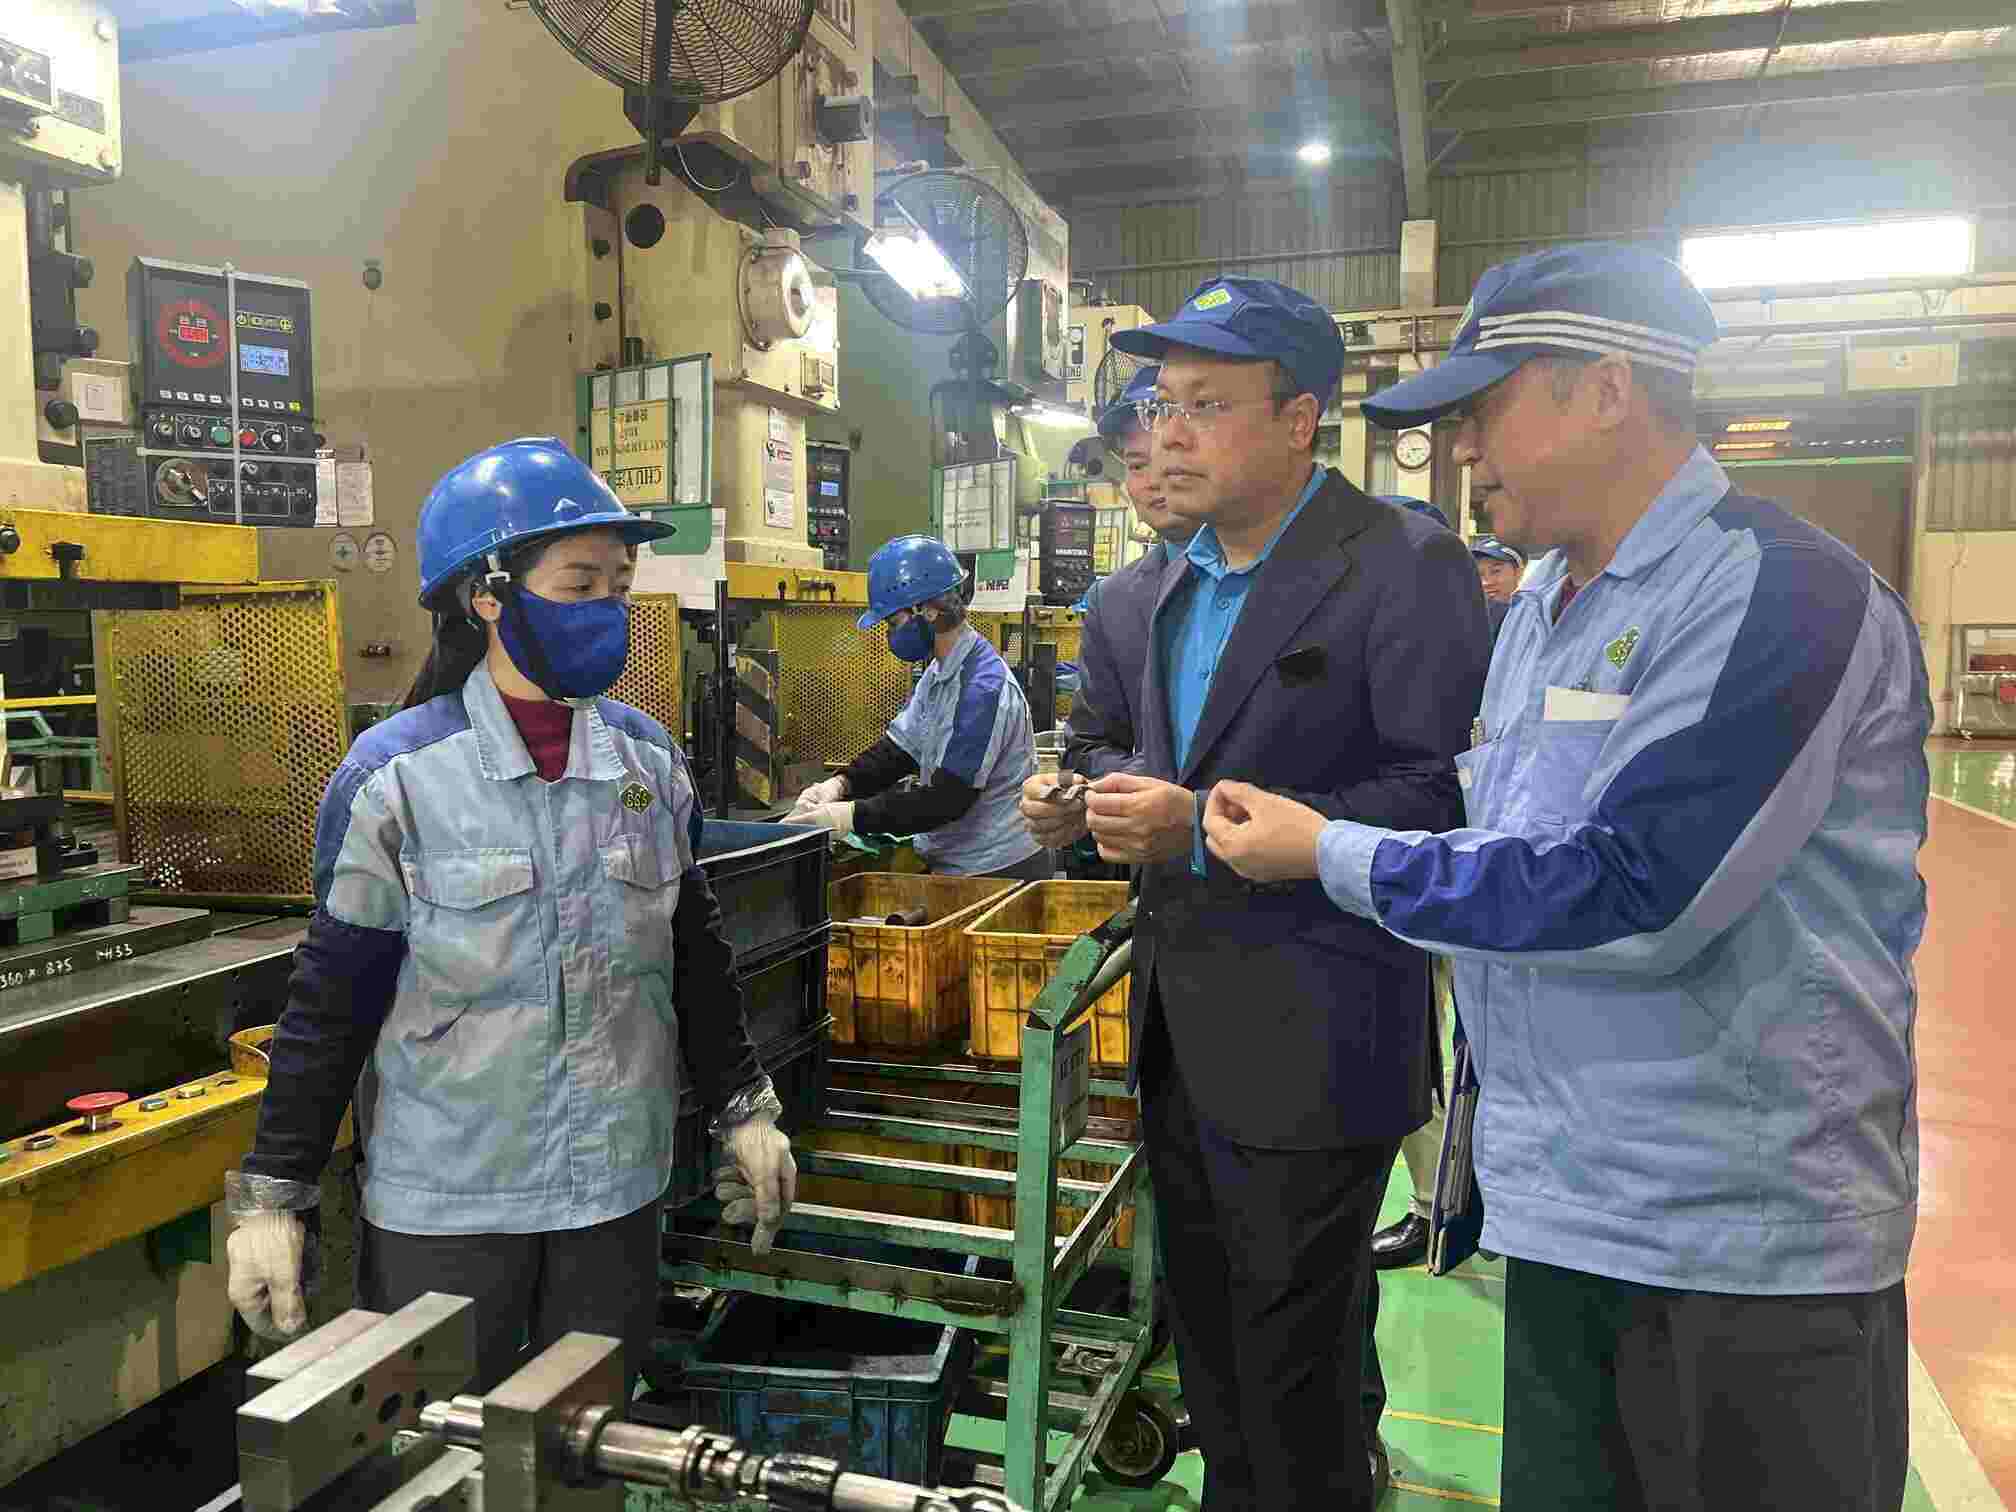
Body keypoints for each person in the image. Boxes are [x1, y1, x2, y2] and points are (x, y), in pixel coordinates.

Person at [1201, 243, 1930, 1512]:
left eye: (1486, 408)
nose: (1463, 447)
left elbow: (1639, 893)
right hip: (1567, 1222)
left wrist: (1327, 852)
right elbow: (1502, 838)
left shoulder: (1781, 593)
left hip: (1742, 1254)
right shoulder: (1542, 611)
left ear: (1608, 389)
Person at [222, 437, 798, 1392]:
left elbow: (693, 955)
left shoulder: (647, 766)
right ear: (486, 596)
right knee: (440, 1462)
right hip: (451, 1207)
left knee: (589, 1454)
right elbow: (330, 1006)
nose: (609, 610)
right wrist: (273, 1198)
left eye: (618, 585)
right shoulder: (394, 782)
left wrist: (745, 1106)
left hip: (611, 1194)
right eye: (579, 586)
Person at [1068, 274, 1488, 1511]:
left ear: (1299, 419)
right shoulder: (1171, 582)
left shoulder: (1401, 563)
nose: (1170, 432)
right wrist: (1102, 796)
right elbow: (1125, 748)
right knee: (1212, 1351)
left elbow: (1442, 798)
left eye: (1206, 404)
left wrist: (1196, 825)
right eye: (1162, 401)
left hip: (1318, 1035)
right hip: (1181, 1031)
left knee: (1295, 1368)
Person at [791, 534, 1050, 881]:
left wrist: (847, 817)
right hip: (960, 862)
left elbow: (946, 799)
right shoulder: (940, 672)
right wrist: (839, 785)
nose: (890, 634)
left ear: (927, 611)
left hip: (999, 870)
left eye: (893, 622)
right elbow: (898, 751)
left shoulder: (983, 689)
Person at [1471, 535, 1524, 642]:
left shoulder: (1535, 616)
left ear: (1518, 572)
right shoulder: (1468, 618)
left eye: (1496, 571)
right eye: (1479, 574)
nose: (1486, 582)